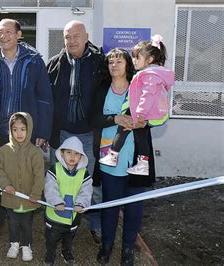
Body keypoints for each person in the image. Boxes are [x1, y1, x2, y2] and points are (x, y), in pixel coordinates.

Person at [0, 18, 53, 240]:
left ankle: (23, 222)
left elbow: (44, 98)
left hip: (26, 132)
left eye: (8, 32)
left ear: (19, 35)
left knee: (26, 176)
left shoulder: (34, 61)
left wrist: (43, 132)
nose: (3, 36)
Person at [90, 48, 155, 266]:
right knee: (109, 206)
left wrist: (147, 121)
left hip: (137, 159)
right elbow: (93, 118)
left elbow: (157, 115)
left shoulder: (140, 87)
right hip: (109, 158)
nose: (114, 65)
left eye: (119, 61)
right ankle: (107, 245)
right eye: (110, 62)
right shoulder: (102, 90)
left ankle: (127, 248)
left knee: (134, 208)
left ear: (128, 64)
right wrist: (115, 118)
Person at [47, 20, 106, 243]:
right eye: (67, 37)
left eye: (76, 36)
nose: (71, 41)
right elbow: (47, 101)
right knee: (59, 180)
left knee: (88, 181)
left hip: (89, 133)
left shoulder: (101, 62)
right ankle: (61, 221)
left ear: (86, 36)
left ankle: (95, 223)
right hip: (61, 133)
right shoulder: (54, 64)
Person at [99, 35, 174, 176]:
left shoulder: (149, 75)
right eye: (132, 57)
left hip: (142, 111)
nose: (134, 61)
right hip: (149, 112)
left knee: (124, 128)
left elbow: (147, 95)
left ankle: (113, 154)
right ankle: (142, 164)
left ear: (149, 59)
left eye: (137, 58)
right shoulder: (153, 74)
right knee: (141, 135)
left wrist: (139, 113)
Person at [0, 112, 44, 262]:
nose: (19, 133)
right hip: (11, 197)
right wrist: (5, 184)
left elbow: (40, 176)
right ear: (10, 130)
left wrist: (36, 193)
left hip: (29, 198)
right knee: (13, 222)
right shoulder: (3, 151)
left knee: (27, 224)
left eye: (23, 129)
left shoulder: (35, 153)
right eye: (15, 129)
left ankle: (26, 245)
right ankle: (14, 243)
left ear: (29, 130)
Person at [44, 136, 92, 265]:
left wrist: (81, 204)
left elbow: (86, 192)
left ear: (81, 157)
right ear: (62, 153)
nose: (72, 156)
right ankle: (50, 251)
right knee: (52, 236)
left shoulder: (84, 174)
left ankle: (66, 250)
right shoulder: (55, 170)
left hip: (73, 214)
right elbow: (50, 188)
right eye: (69, 152)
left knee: (69, 235)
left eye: (77, 154)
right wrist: (56, 201)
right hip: (55, 213)